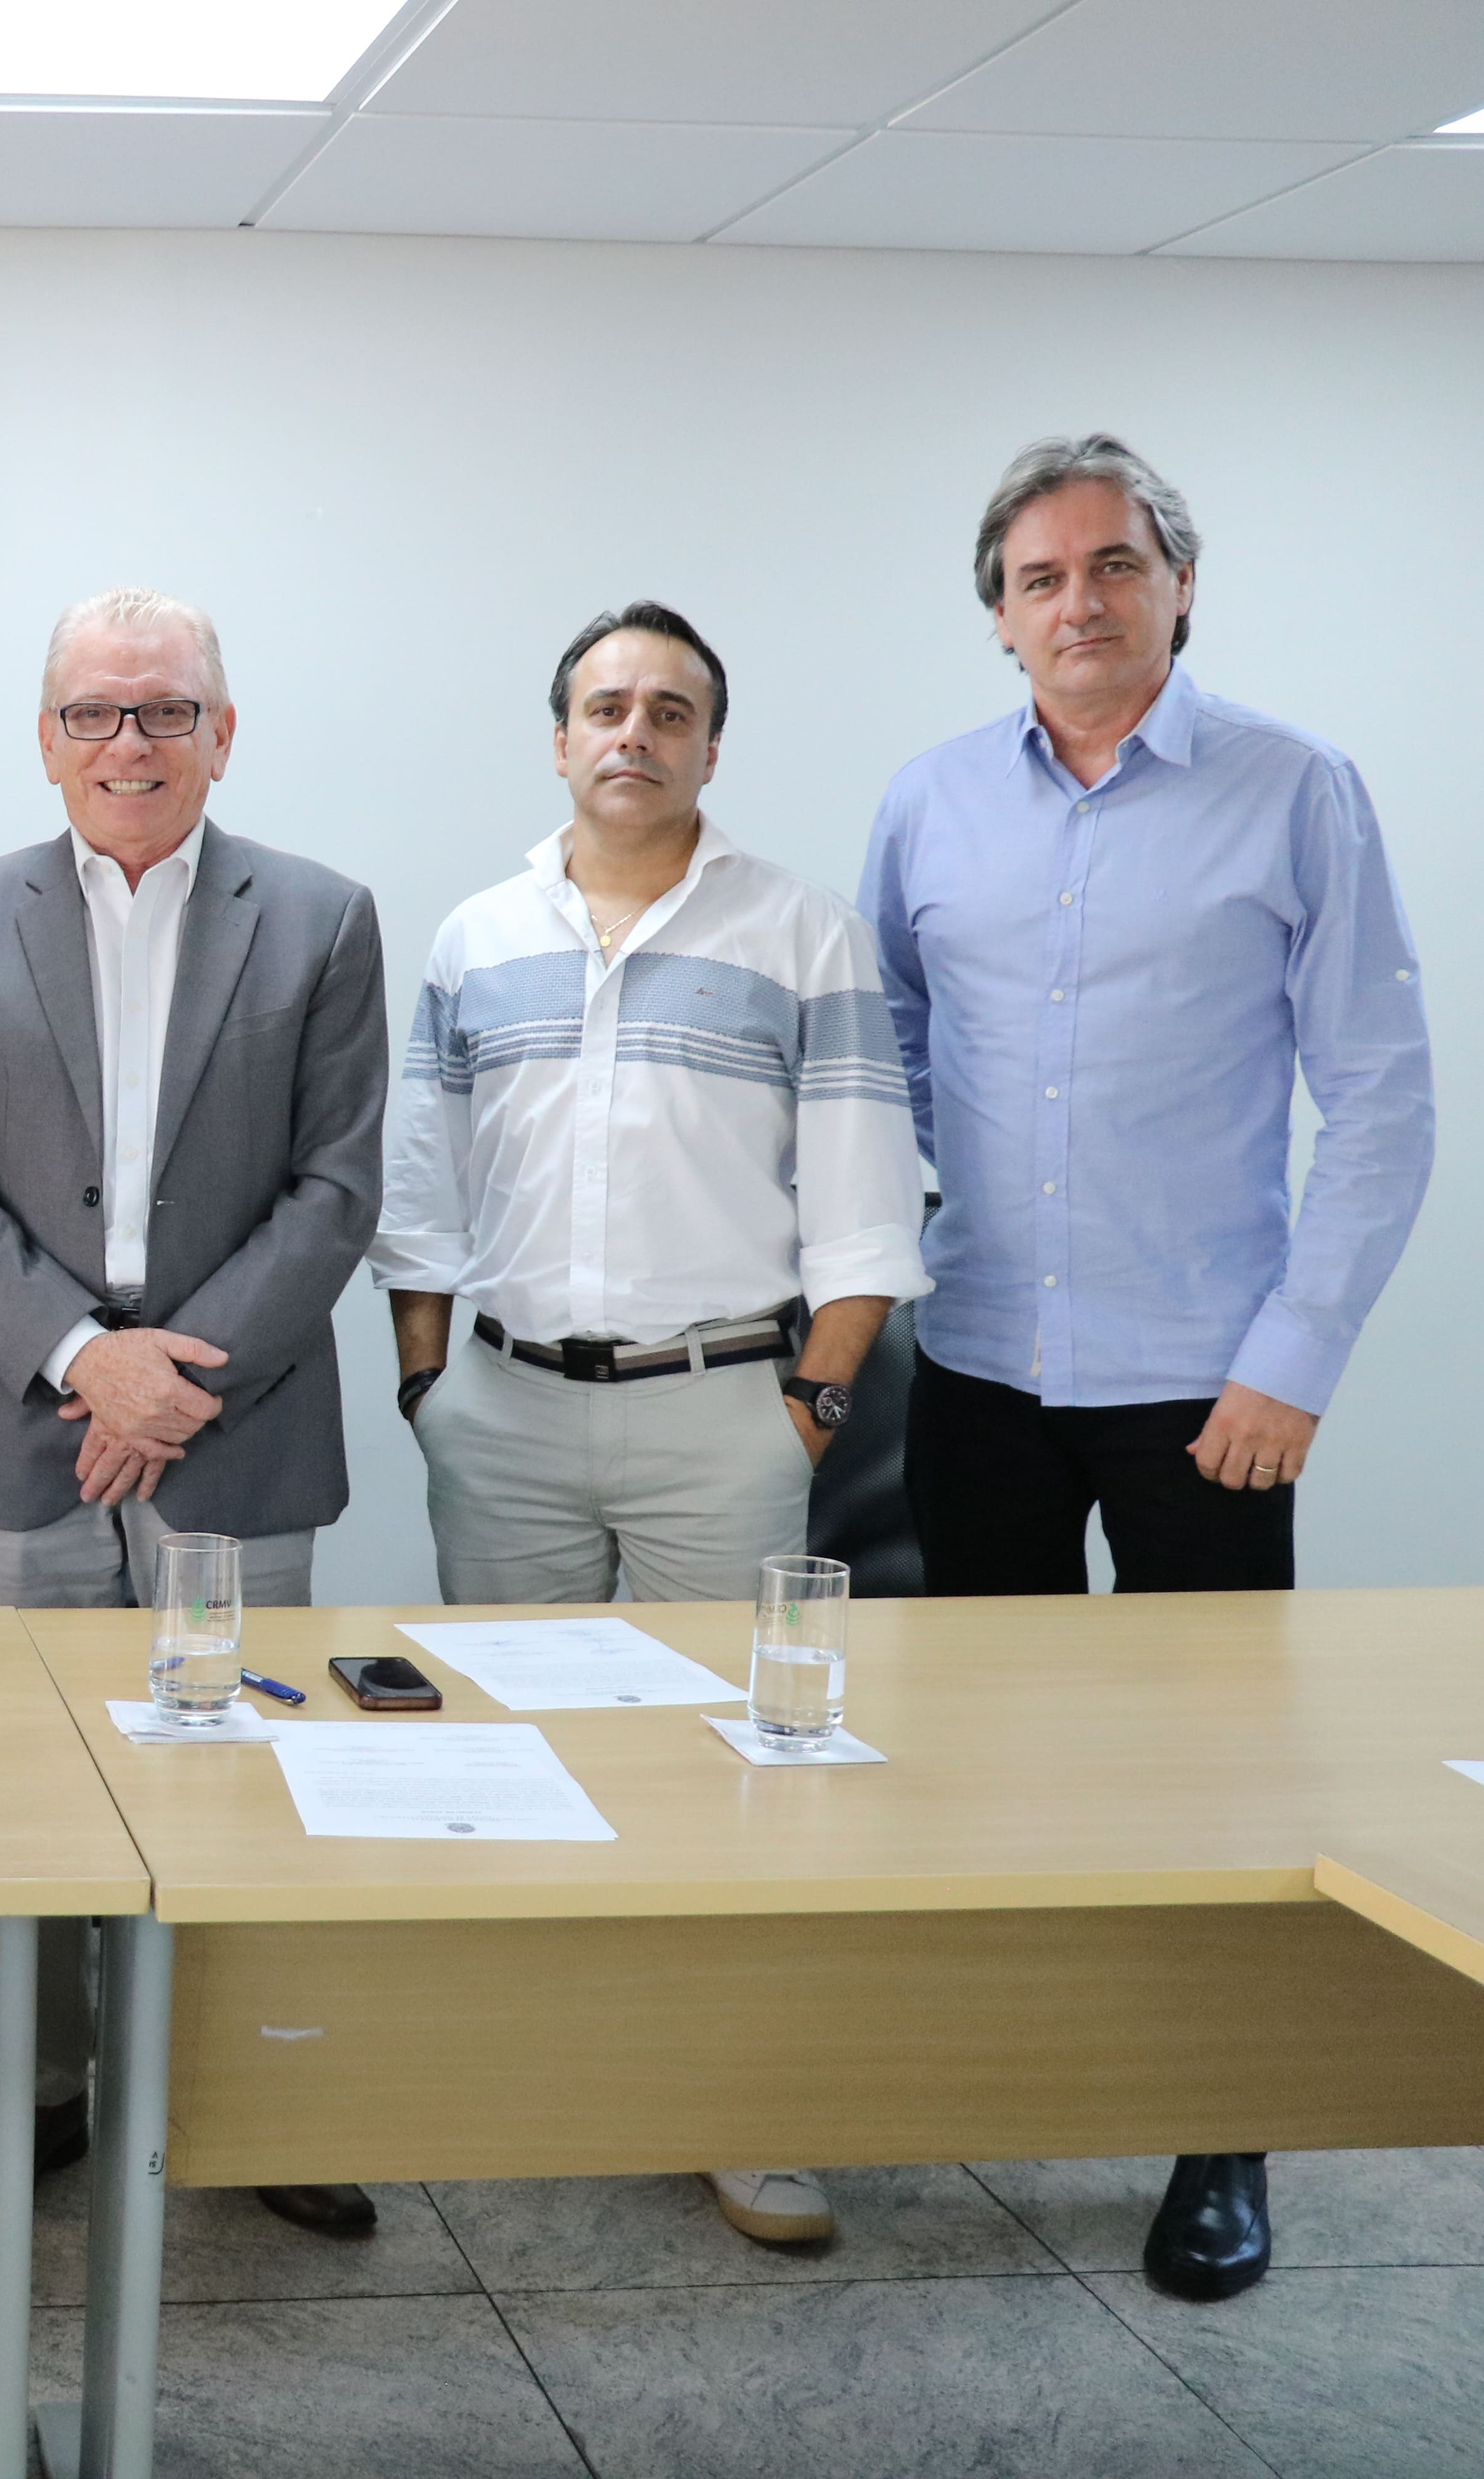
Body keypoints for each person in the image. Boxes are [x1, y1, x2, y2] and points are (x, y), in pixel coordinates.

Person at [862, 435, 1434, 2302]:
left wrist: (1294, 1364)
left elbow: (1383, 1102)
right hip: (980, 1366)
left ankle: (1222, 2135)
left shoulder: (1294, 791)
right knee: (998, 1755)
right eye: (1040, 579)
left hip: (1210, 1388)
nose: (1080, 603)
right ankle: (1038, 2065)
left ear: (1180, 587)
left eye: (1114, 566)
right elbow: (888, 1067)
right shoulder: (932, 805)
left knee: (1218, 1778)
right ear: (999, 618)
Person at [374, 599, 929, 2250]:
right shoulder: (476, 938)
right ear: (560, 738)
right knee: (510, 1764)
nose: (635, 731)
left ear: (708, 747)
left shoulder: (803, 936)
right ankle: (542, 2075)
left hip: (725, 1418)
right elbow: (421, 1191)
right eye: (606, 705)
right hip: (510, 1416)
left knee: (731, 1770)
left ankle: (736, 2108)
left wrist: (807, 1414)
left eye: (669, 709)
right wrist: (429, 1391)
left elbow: (865, 1207)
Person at [0, 587, 385, 2237]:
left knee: (237, 1783)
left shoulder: (320, 919)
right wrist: (79, 1358)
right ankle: (34, 2099)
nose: (130, 741)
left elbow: (334, 1192)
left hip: (234, 1430)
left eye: (165, 710)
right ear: (45, 742)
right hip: (23, 1430)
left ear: (221, 734)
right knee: (17, 1793)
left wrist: (167, 1382)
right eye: (96, 712)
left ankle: (250, 2104)